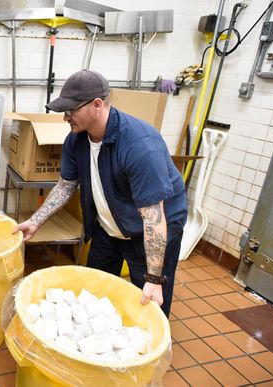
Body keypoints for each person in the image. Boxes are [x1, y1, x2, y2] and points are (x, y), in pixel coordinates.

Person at [13, 70, 187, 315]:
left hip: (153, 228)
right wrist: (35, 221)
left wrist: (155, 279)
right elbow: (65, 186)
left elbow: (153, 218)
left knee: (148, 298)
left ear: (97, 105)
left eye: (71, 110)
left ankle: (150, 343)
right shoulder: (76, 140)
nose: (65, 117)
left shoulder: (139, 145)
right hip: (108, 225)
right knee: (97, 289)